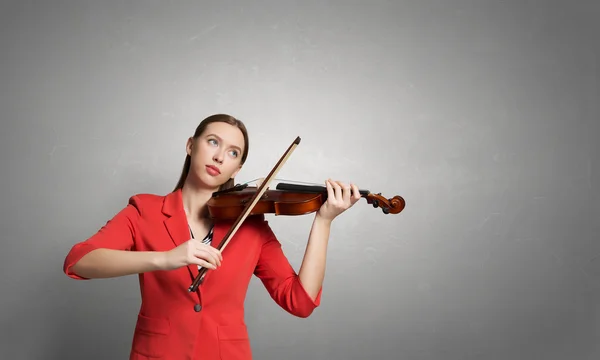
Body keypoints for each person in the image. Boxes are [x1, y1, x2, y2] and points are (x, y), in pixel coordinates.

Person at [63, 113, 361, 360]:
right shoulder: (145, 210)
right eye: (212, 142)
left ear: (238, 167)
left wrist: (323, 221)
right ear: (191, 145)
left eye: (233, 153)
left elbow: (300, 302)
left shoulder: (251, 225)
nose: (219, 156)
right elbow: (79, 262)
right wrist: (165, 258)